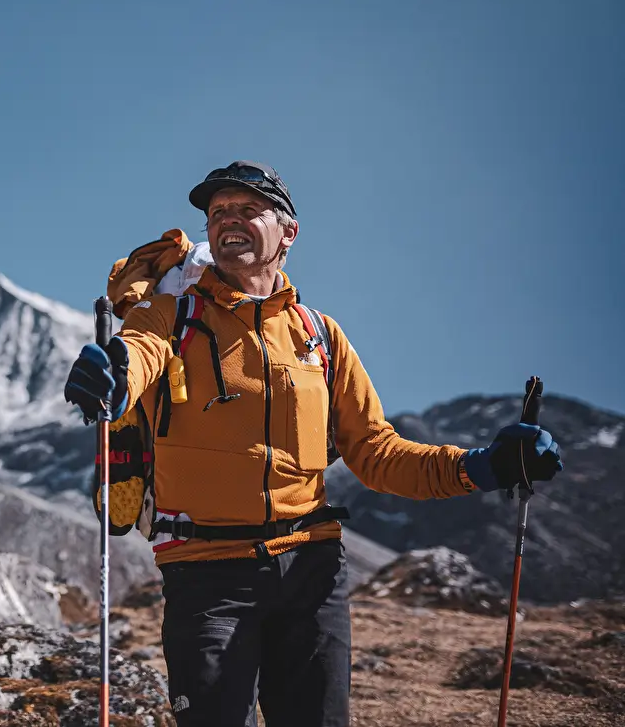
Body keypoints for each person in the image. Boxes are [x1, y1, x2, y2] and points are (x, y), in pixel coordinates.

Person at [63, 161, 564, 727]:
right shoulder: (169, 317)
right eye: (217, 213)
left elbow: (378, 454)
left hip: (312, 571)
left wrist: (486, 466)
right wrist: (115, 375)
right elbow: (138, 354)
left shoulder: (320, 336)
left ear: (288, 232)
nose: (228, 221)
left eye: (247, 210)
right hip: (205, 574)